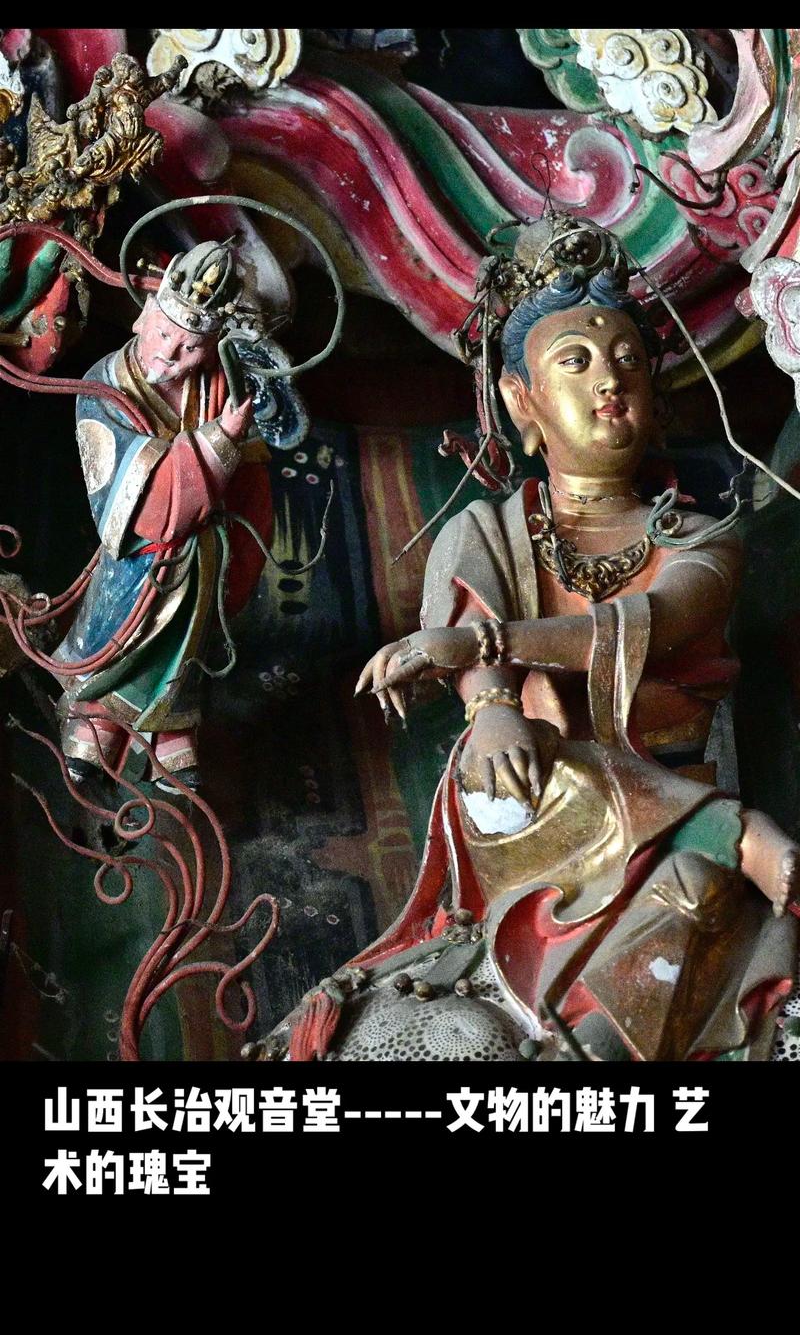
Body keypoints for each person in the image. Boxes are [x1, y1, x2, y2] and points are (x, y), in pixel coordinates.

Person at [259, 213, 799, 1063]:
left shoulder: (699, 540)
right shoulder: (482, 531)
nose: (608, 380)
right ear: (523, 402)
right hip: (540, 810)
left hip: (661, 803)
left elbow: (654, 625)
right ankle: (730, 832)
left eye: (627, 360)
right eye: (575, 362)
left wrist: (480, 645)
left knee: (695, 892)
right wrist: (495, 708)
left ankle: (588, 1039)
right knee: (526, 766)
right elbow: (491, 701)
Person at [54, 238, 271, 788]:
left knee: (190, 626)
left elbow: (251, 483)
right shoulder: (106, 384)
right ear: (143, 318)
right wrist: (218, 442)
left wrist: (237, 466)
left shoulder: (222, 386)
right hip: (136, 549)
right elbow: (137, 497)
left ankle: (168, 724)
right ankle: (96, 712)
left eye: (191, 347)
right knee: (121, 622)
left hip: (204, 557)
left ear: (214, 346)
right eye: (165, 336)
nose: (172, 355)